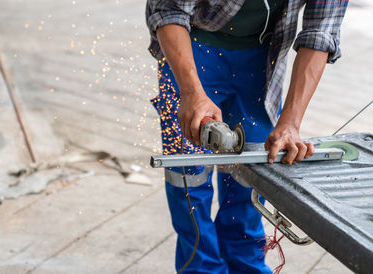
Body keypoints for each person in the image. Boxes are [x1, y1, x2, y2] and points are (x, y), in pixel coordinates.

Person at [145, 0, 348, 273]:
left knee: (251, 177)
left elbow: (320, 33)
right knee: (188, 175)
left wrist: (290, 122)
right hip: (193, 46)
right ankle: (200, 268)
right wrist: (191, 93)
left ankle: (246, 265)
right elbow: (169, 9)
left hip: (261, 57)